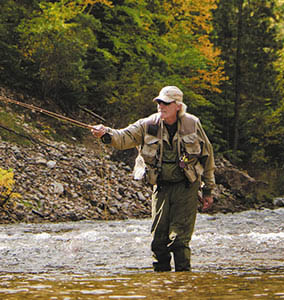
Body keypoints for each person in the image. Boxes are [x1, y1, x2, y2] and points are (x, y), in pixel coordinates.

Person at [91, 86, 215, 272]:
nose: (160, 106)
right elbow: (123, 137)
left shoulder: (192, 124)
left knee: (179, 241)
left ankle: (184, 282)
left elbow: (207, 157)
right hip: (162, 187)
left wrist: (208, 190)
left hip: (187, 187)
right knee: (158, 241)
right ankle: (161, 283)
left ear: (178, 106)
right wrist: (105, 133)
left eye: (165, 103)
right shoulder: (148, 124)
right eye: (159, 102)